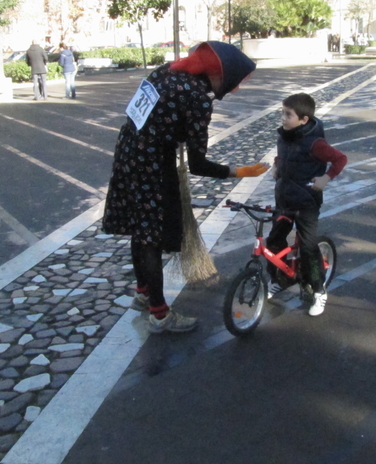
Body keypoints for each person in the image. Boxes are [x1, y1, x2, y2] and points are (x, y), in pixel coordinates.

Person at [102, 41, 268, 333]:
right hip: (151, 164)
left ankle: (143, 294)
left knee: (140, 231)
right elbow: (198, 164)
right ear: (219, 75)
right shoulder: (197, 98)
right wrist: (238, 171)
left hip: (128, 151)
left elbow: (143, 113)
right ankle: (160, 315)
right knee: (150, 237)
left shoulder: (164, 71)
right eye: (234, 83)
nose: (234, 89)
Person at [266, 93, 347, 316]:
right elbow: (282, 156)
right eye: (282, 113)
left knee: (309, 249)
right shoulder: (284, 136)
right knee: (273, 241)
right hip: (284, 199)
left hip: (306, 203)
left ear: (303, 119)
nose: (283, 118)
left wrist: (326, 178)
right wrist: (275, 166)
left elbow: (340, 159)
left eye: (288, 115)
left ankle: (319, 290)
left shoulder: (315, 143)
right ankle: (281, 279)